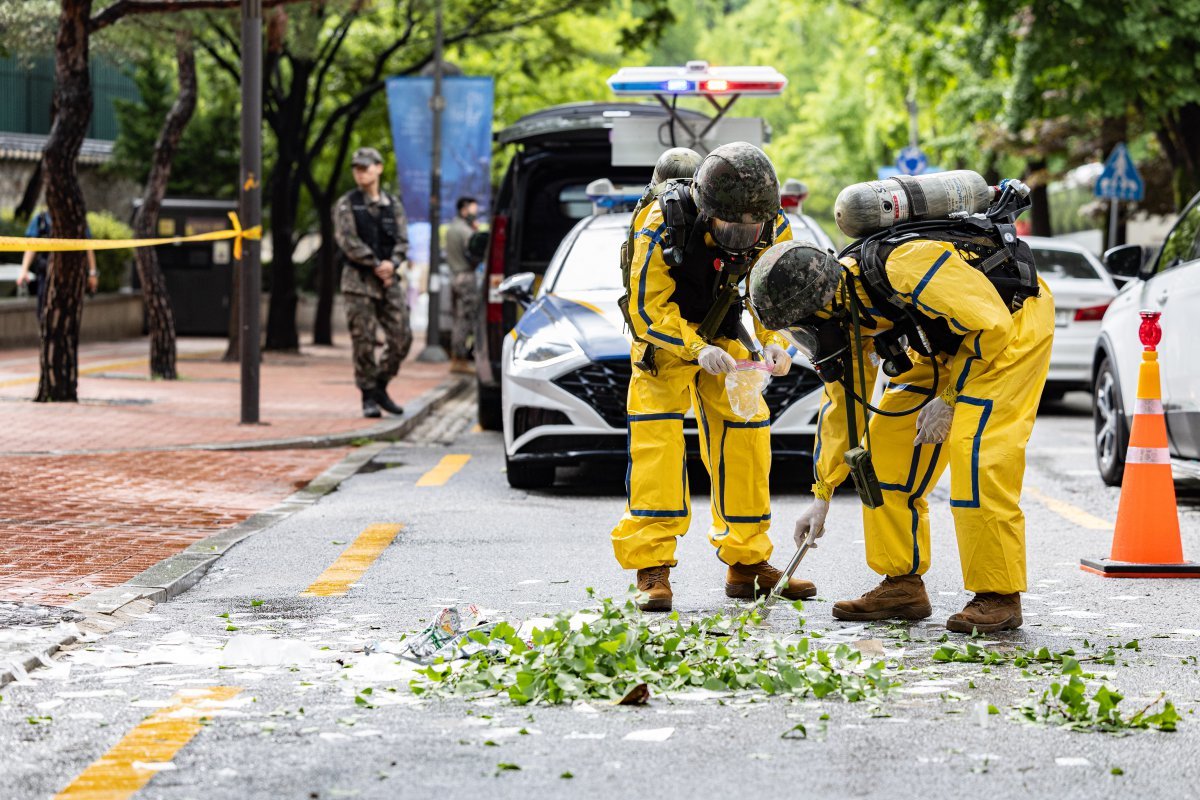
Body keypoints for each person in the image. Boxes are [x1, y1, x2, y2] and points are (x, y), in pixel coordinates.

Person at [747, 182, 1054, 633]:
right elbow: (843, 409)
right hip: (945, 345)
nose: (805, 337)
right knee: (880, 454)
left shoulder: (904, 265)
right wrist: (822, 494)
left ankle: (998, 594)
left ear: (823, 303)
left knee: (977, 455)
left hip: (1009, 329)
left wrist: (949, 401)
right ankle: (902, 583)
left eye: (801, 327)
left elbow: (990, 328)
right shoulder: (844, 315)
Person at [610, 141, 817, 612]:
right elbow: (647, 309)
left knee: (745, 440)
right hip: (664, 341)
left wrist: (775, 343)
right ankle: (652, 568)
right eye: (732, 228)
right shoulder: (661, 224)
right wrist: (695, 348)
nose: (744, 236)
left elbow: (774, 290)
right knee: (657, 448)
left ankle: (747, 564)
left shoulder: (773, 223)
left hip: (723, 333)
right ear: (708, 212)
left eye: (753, 228)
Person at [334, 146, 413, 419]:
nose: (360, 173)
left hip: (389, 281)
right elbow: (347, 241)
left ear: (378, 168)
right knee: (364, 341)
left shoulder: (393, 204)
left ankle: (380, 384)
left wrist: (393, 263)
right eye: (356, 168)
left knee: (402, 336)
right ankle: (367, 395)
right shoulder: (347, 204)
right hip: (359, 281)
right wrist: (376, 263)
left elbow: (403, 240)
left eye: (365, 167)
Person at [16, 210, 98, 320]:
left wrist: (92, 273)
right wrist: (24, 270)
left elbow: (88, 245)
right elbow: (32, 245)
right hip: (46, 274)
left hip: (70, 275)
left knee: (68, 314)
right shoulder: (41, 220)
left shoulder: (76, 219)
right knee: (44, 312)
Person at [445, 196, 480, 375]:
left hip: (454, 276)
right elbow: (475, 253)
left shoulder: (452, 228)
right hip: (466, 277)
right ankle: (461, 358)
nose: (476, 214)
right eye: (474, 210)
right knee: (467, 319)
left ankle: (456, 358)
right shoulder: (465, 231)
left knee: (459, 318)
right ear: (464, 210)